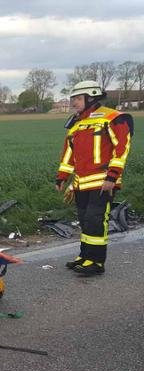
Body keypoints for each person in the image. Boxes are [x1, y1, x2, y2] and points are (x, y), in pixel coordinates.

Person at [56, 80, 133, 276]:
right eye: (73, 98)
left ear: (91, 97)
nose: (74, 102)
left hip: (103, 182)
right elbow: (68, 153)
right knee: (85, 220)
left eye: (78, 99)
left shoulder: (113, 118)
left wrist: (113, 176)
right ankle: (85, 256)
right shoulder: (76, 123)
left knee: (95, 220)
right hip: (81, 183)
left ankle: (97, 262)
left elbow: (121, 149)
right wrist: (62, 176)